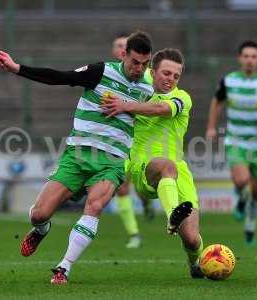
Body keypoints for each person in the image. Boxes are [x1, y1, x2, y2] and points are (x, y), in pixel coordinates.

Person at [0, 31, 158, 284]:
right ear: (123, 54)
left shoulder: (148, 87)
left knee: (94, 206)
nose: (139, 68)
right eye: (135, 62)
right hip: (78, 155)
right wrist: (17, 68)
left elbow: (161, 109)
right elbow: (61, 77)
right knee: (39, 214)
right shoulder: (100, 72)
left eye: (145, 64)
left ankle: (64, 267)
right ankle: (41, 228)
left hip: (112, 160)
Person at [101, 48, 205, 278]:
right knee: (166, 165)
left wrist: (126, 105)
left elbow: (161, 109)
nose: (170, 79)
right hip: (143, 167)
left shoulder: (182, 98)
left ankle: (195, 262)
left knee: (192, 239)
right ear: (152, 71)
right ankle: (172, 217)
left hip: (180, 171)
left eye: (176, 76)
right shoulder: (139, 88)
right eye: (166, 73)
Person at [206, 40, 257, 245]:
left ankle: (250, 225)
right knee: (241, 181)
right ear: (240, 58)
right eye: (246, 56)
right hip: (236, 140)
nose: (250, 60)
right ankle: (240, 196)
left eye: (254, 56)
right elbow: (217, 102)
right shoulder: (229, 80)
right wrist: (211, 127)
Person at [111, 33, 154, 249]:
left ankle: (146, 203)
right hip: (119, 143)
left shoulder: (147, 81)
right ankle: (134, 234)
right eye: (118, 45)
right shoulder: (108, 77)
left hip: (141, 143)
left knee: (141, 187)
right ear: (121, 53)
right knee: (121, 187)